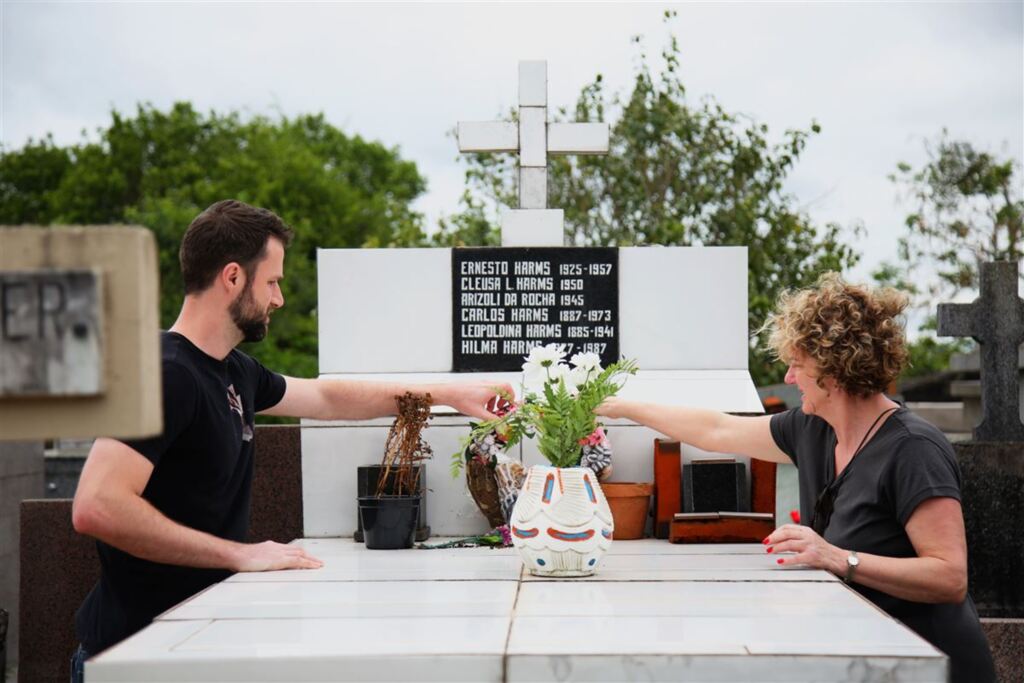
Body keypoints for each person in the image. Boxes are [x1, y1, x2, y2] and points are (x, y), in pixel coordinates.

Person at [70, 200, 512, 674]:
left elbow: (327, 398)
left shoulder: (235, 371)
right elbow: (97, 505)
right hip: (133, 656)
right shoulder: (164, 373)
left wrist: (451, 394)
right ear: (233, 277)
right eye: (272, 282)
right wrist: (238, 555)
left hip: (191, 643)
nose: (279, 299)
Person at [596, 272, 995, 683]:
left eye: (797, 365)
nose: (789, 378)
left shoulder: (914, 449)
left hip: (935, 665)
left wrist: (838, 558)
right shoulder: (813, 429)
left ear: (833, 371)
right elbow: (717, 429)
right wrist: (621, 407)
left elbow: (949, 577)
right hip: (872, 661)